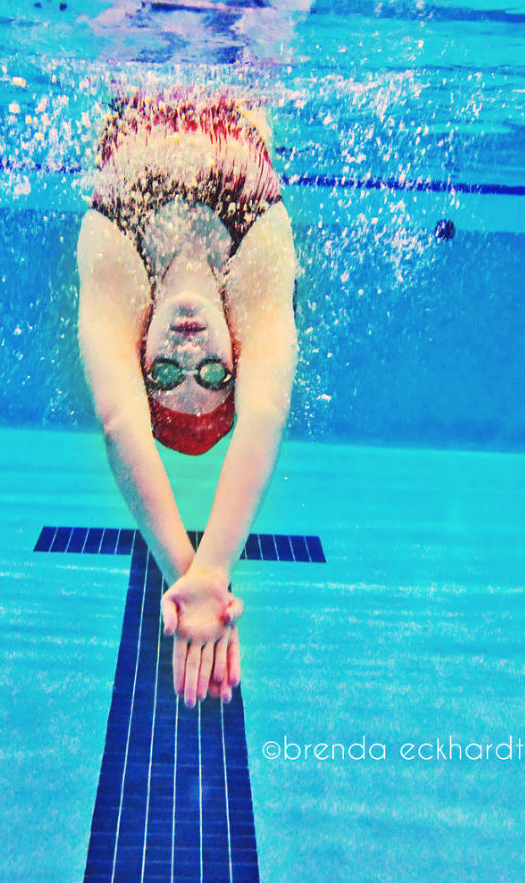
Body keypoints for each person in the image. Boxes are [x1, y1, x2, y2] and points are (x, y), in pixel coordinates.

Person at [77, 90, 297, 707]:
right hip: (245, 55)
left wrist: (186, 574)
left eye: (169, 376)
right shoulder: (258, 256)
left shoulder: (115, 254)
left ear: (139, 355)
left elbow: (119, 420)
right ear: (238, 355)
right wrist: (213, 569)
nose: (189, 353)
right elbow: (265, 412)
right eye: (215, 375)